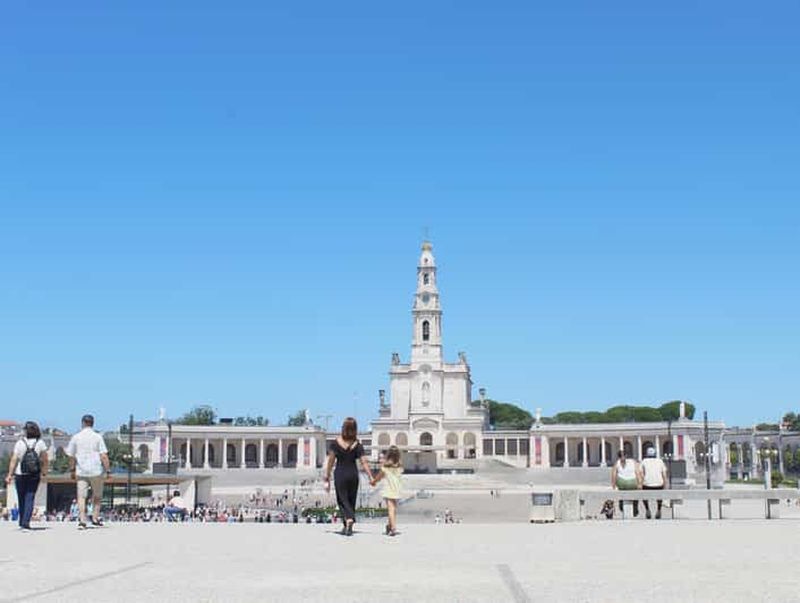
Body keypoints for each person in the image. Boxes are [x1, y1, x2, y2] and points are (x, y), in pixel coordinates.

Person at [324, 417, 374, 536]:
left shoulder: (336, 443)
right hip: (353, 474)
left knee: (342, 499)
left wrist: (327, 474)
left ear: (343, 428)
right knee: (351, 499)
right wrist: (370, 476)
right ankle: (347, 525)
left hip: (340, 473)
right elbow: (364, 462)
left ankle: (349, 519)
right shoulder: (358, 445)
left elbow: (331, 460)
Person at [66, 414, 111, 530]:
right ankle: (95, 518)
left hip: (81, 471)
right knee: (97, 496)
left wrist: (72, 469)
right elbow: (104, 455)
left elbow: (71, 456)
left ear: (82, 423)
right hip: (96, 470)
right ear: (93, 423)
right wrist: (108, 470)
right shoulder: (98, 437)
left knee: (81, 497)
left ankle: (82, 520)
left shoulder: (76, 437)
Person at [4, 421, 49, 530]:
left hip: (20, 473)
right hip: (34, 473)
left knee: (21, 497)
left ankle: (21, 521)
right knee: (30, 496)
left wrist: (9, 474)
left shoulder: (20, 443)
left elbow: (14, 459)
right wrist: (44, 471)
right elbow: (45, 459)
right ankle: (26, 522)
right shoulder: (40, 443)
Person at [370, 445, 403, 536]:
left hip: (388, 489)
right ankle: (389, 526)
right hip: (397, 489)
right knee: (393, 508)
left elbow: (379, 477)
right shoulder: (400, 467)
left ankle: (393, 527)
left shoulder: (385, 467)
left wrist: (373, 482)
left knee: (390, 509)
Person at [611, 450, 641, 517]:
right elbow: (638, 473)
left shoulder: (617, 463)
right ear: (626, 455)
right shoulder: (633, 462)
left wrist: (613, 485)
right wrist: (639, 483)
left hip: (622, 483)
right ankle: (635, 505)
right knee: (635, 494)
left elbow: (614, 475)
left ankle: (622, 504)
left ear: (618, 457)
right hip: (632, 482)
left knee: (622, 493)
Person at [640, 447, 668, 519]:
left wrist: (641, 483)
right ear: (655, 454)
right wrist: (665, 485)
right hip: (659, 485)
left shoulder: (644, 461)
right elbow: (664, 474)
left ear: (647, 454)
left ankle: (647, 509)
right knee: (659, 495)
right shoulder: (660, 461)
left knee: (643, 495)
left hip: (647, 485)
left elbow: (641, 474)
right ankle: (659, 509)